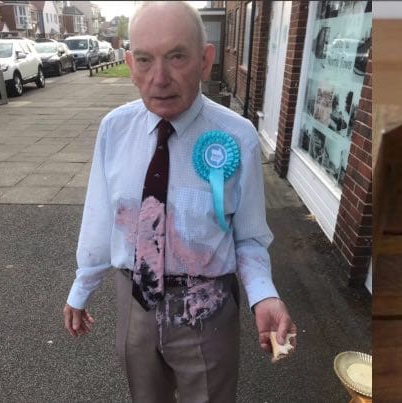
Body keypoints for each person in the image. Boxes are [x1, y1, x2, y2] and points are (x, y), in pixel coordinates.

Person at [61, 2, 296, 401]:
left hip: (208, 310)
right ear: (129, 64)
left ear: (205, 61)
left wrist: (263, 294)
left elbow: (249, 237)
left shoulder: (237, 137)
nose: (159, 78)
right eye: (144, 59)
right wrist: (82, 286)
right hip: (135, 302)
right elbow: (101, 217)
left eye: (176, 57)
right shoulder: (114, 130)